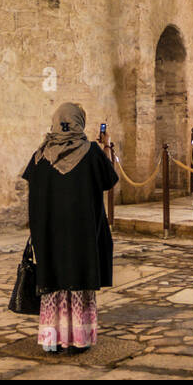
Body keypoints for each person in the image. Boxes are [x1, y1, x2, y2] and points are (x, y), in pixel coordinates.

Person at [21, 102, 118, 354]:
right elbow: (109, 180)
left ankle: (52, 341)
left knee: (53, 282)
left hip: (49, 235)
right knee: (79, 281)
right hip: (81, 235)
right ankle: (78, 340)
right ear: (78, 122)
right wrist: (106, 145)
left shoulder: (40, 155)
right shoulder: (90, 152)